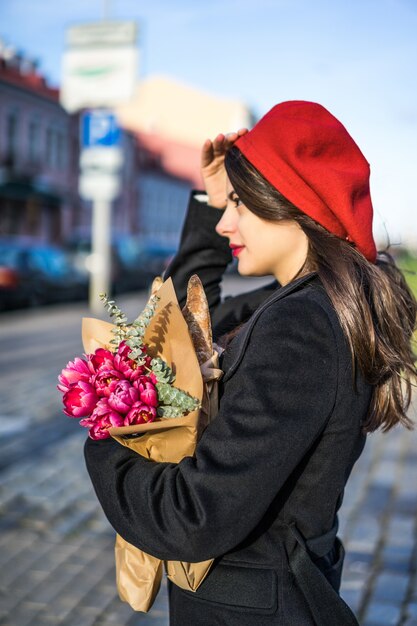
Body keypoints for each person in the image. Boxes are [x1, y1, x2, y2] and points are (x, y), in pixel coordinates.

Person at [84, 101, 417, 625]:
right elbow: (188, 324)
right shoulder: (308, 302)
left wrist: (107, 432)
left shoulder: (303, 324)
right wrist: (210, 194)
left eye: (238, 203)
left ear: (287, 201)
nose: (224, 222)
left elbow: (192, 516)